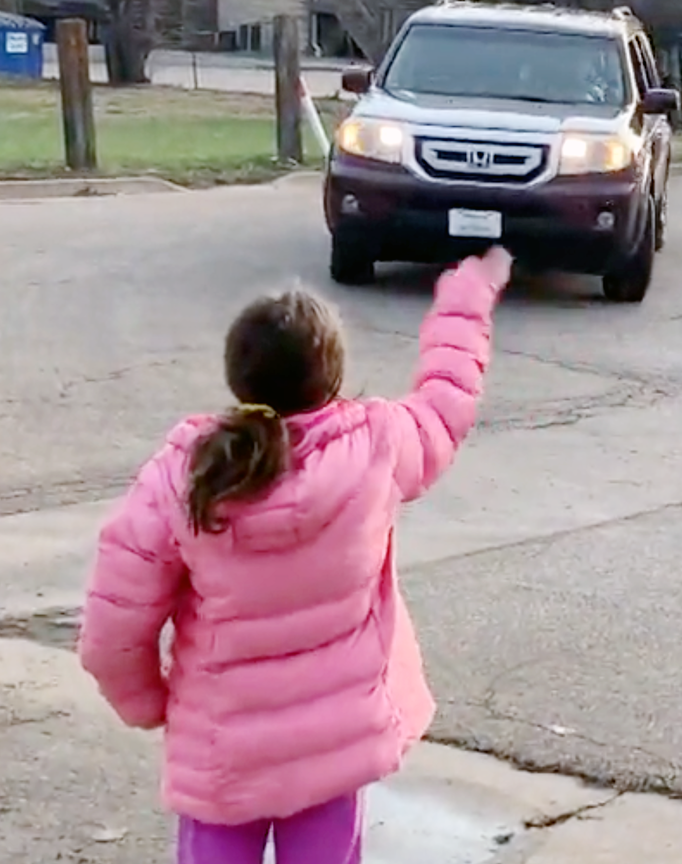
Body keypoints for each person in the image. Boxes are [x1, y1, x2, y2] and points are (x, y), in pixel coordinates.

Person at [76, 248, 513, 864]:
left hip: (221, 753)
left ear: (237, 377)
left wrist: (148, 701)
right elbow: (447, 400)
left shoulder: (184, 474)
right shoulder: (377, 445)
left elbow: (112, 628)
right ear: (331, 380)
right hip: (332, 749)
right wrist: (467, 299)